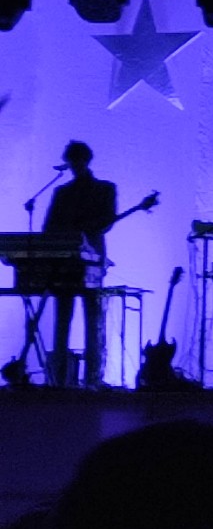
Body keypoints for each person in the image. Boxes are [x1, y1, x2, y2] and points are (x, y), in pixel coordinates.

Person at [43, 140, 117, 388]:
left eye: (77, 161)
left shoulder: (105, 189)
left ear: (85, 160)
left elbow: (107, 221)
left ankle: (92, 380)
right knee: (63, 319)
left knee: (92, 320)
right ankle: (59, 382)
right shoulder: (62, 192)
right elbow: (48, 228)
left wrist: (82, 229)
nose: (74, 166)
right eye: (71, 162)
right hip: (65, 261)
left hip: (92, 262)